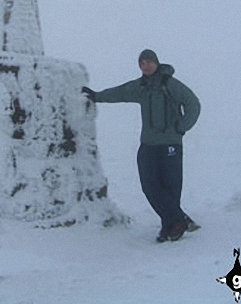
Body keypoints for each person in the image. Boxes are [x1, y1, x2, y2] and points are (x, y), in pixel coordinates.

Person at [82, 49, 201, 242]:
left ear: (156, 62)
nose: (145, 65)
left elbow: (193, 104)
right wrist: (97, 96)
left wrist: (181, 128)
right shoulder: (141, 87)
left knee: (171, 187)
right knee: (149, 186)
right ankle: (179, 220)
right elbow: (119, 93)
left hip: (171, 144)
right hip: (148, 144)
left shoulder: (170, 84)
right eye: (141, 63)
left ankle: (170, 227)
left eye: (148, 62)